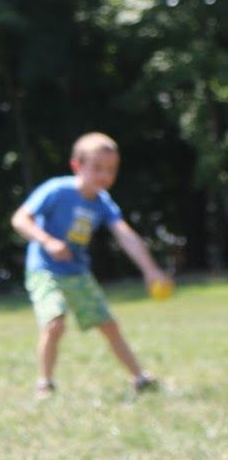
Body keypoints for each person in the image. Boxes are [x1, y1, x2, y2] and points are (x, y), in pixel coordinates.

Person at [10, 131, 171, 399]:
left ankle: (140, 378)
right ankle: (45, 384)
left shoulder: (103, 203)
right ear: (77, 166)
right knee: (55, 324)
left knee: (108, 325)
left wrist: (150, 270)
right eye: (97, 168)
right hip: (45, 269)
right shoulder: (56, 190)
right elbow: (19, 219)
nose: (104, 176)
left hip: (76, 271)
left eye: (111, 170)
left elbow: (125, 235)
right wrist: (48, 241)